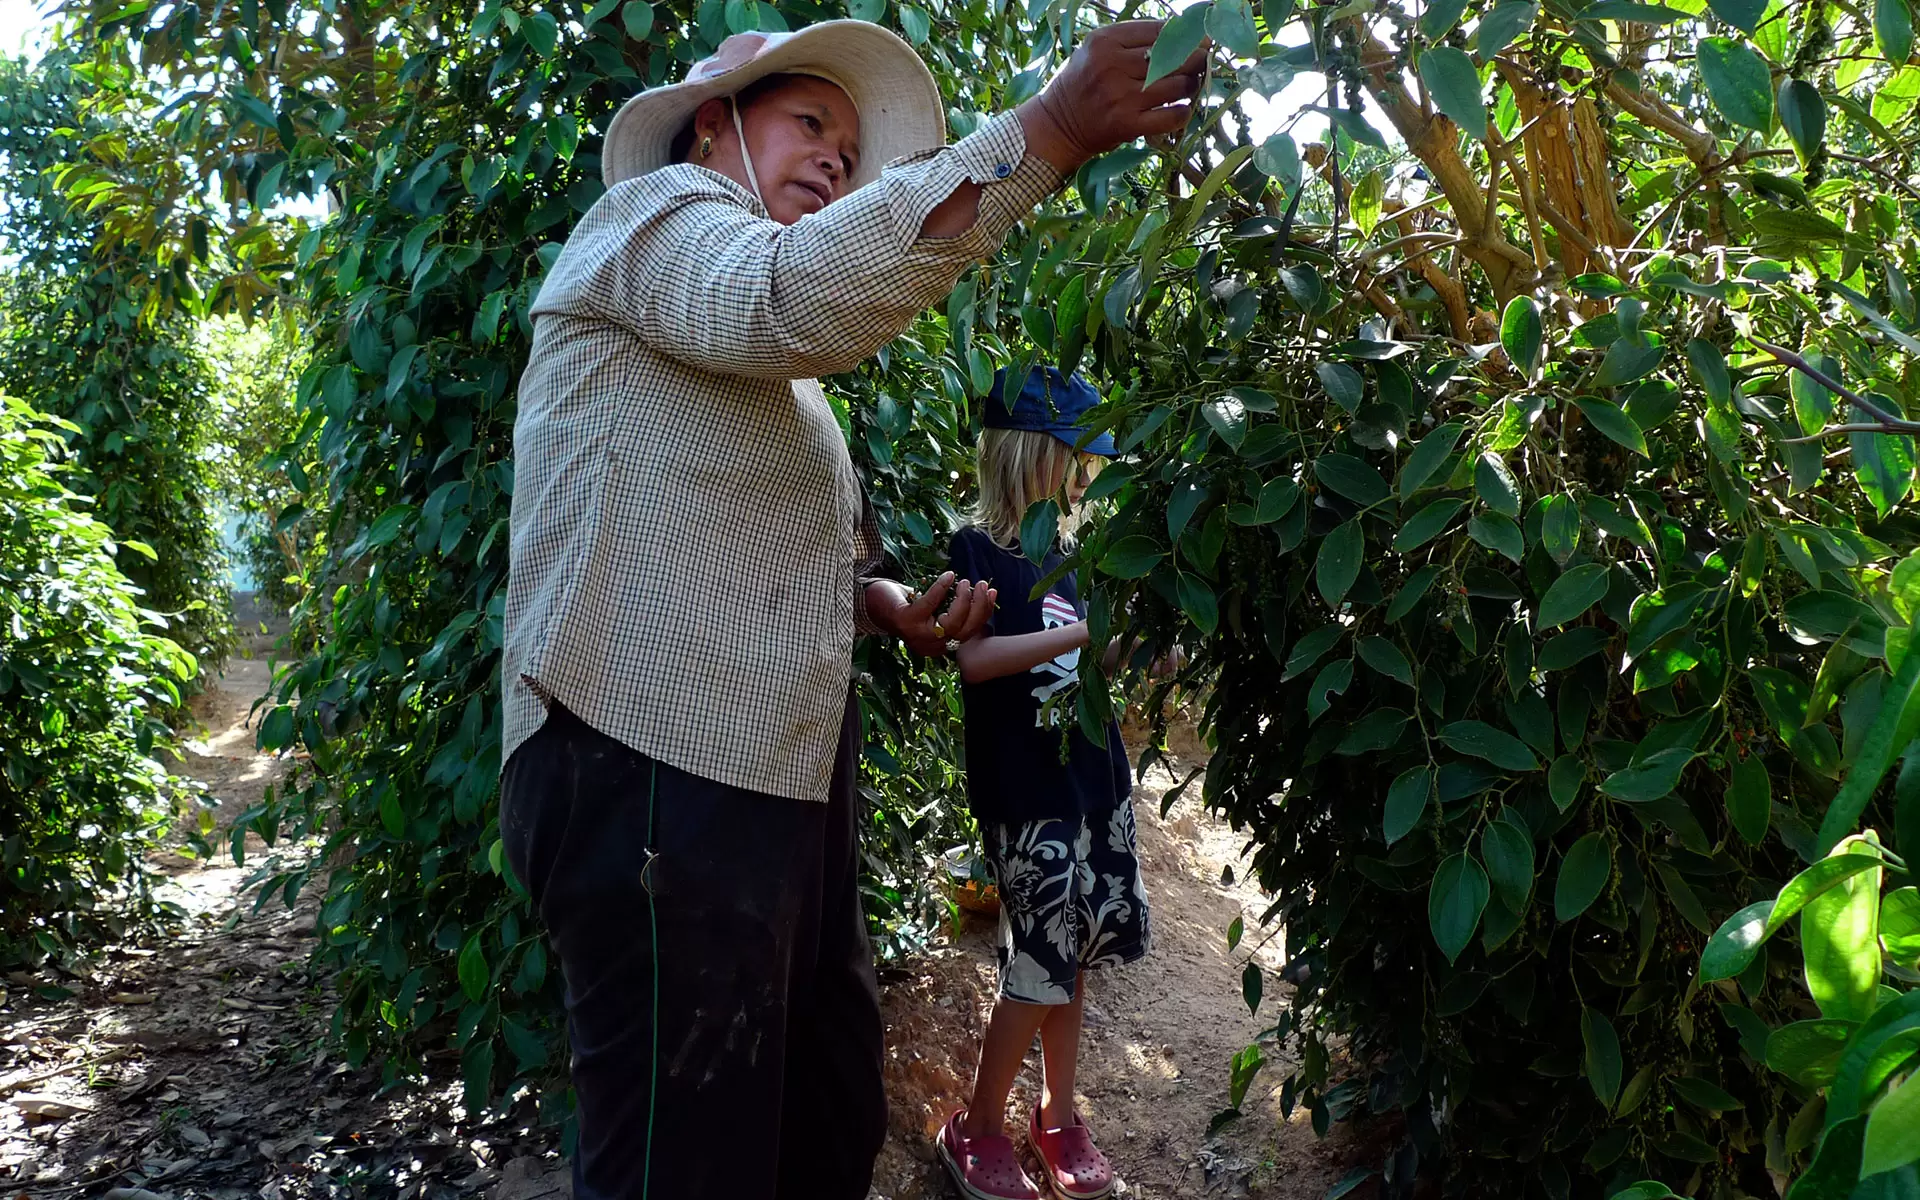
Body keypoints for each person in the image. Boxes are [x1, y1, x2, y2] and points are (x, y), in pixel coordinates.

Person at [498, 17, 1205, 1200]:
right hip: (650, 763)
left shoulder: (767, 365)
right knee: (689, 1160)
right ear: (712, 128)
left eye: (848, 140)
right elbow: (791, 296)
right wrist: (1048, 132)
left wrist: (884, 603)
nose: (836, 155)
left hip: (777, 780)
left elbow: (753, 532)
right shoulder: (655, 222)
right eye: (807, 122)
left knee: (822, 1113)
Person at [940, 368, 1148, 1200]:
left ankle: (1058, 1116)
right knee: (1037, 961)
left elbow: (1094, 655)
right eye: (1074, 458)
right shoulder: (978, 552)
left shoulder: (1078, 556)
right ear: (1032, 457)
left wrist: (1139, 643)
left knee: (1079, 950)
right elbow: (976, 661)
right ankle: (979, 1126)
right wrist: (1084, 635)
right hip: (1027, 796)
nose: (1083, 476)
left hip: (1093, 782)